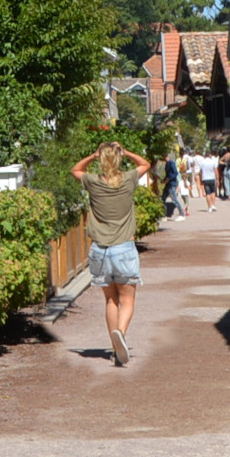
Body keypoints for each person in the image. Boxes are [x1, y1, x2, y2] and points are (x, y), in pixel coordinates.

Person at [72, 140, 152, 365]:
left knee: (110, 300)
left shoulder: (93, 182)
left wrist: (93, 155)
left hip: (100, 250)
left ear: (100, 160)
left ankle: (115, 344)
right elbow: (145, 163)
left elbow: (75, 170)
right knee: (128, 299)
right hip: (124, 248)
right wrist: (125, 152)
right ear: (118, 159)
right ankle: (121, 335)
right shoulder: (128, 179)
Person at [162, 151, 187, 221]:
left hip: (171, 183)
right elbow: (168, 174)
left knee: (175, 199)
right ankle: (164, 215)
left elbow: (175, 173)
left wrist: (169, 179)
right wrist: (164, 180)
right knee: (163, 198)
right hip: (168, 183)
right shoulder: (167, 164)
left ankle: (182, 214)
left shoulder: (171, 163)